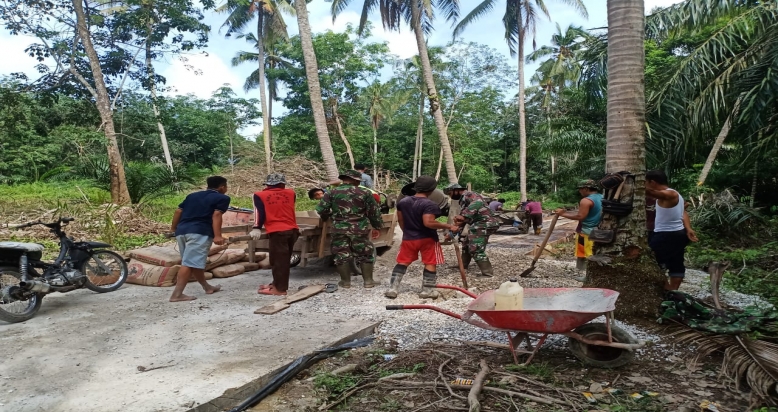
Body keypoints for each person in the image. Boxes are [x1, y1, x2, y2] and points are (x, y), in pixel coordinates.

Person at [386, 176, 459, 299]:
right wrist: (449, 226)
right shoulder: (430, 204)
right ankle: (427, 291)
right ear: (432, 190)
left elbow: (401, 220)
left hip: (409, 238)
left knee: (403, 262)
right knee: (430, 262)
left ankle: (393, 289)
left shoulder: (403, 202)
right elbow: (428, 223)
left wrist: (407, 232)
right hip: (427, 239)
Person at [316, 170, 383, 288]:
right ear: (355, 180)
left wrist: (327, 217)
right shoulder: (365, 192)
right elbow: (373, 212)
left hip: (339, 229)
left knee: (341, 254)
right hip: (359, 229)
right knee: (365, 253)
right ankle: (368, 281)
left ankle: (345, 282)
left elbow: (321, 210)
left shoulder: (332, 192)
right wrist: (377, 226)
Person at [169, 176, 229, 302]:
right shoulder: (222, 198)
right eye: (226, 187)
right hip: (199, 232)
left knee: (193, 262)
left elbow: (178, 211)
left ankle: (207, 287)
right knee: (188, 263)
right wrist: (217, 235)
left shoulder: (192, 196)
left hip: (182, 231)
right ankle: (177, 295)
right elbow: (217, 214)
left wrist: (173, 229)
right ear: (222, 187)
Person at [645, 170, 699, 291]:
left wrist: (634, 184)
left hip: (666, 235)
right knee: (675, 262)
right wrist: (689, 228)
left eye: (645, 182)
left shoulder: (671, 194)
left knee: (650, 262)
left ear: (652, 182)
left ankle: (669, 290)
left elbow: (651, 192)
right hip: (677, 234)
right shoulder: (676, 195)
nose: (644, 185)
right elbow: (682, 212)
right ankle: (672, 292)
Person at [251, 173, 300, 296]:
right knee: (282, 260)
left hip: (277, 231)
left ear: (267, 184)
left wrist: (256, 227)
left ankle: (280, 289)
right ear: (283, 183)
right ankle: (276, 283)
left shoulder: (259, 195)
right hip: (293, 230)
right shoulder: (291, 193)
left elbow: (259, 213)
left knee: (278, 261)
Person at [446, 184, 501, 277]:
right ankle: (463, 265)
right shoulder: (463, 201)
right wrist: (452, 233)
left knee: (475, 248)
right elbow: (462, 221)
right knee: (466, 243)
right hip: (480, 223)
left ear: (456, 190)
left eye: (450, 193)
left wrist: (463, 215)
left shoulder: (469, 194)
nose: (450, 196)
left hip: (485, 222)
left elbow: (478, 202)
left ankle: (487, 273)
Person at [554, 180, 603, 282]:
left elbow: (580, 216)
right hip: (598, 230)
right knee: (590, 253)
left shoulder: (586, 201)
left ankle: (589, 277)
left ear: (586, 189)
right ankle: (590, 275)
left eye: (580, 189)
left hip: (587, 232)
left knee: (588, 254)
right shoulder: (602, 197)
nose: (580, 191)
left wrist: (562, 214)